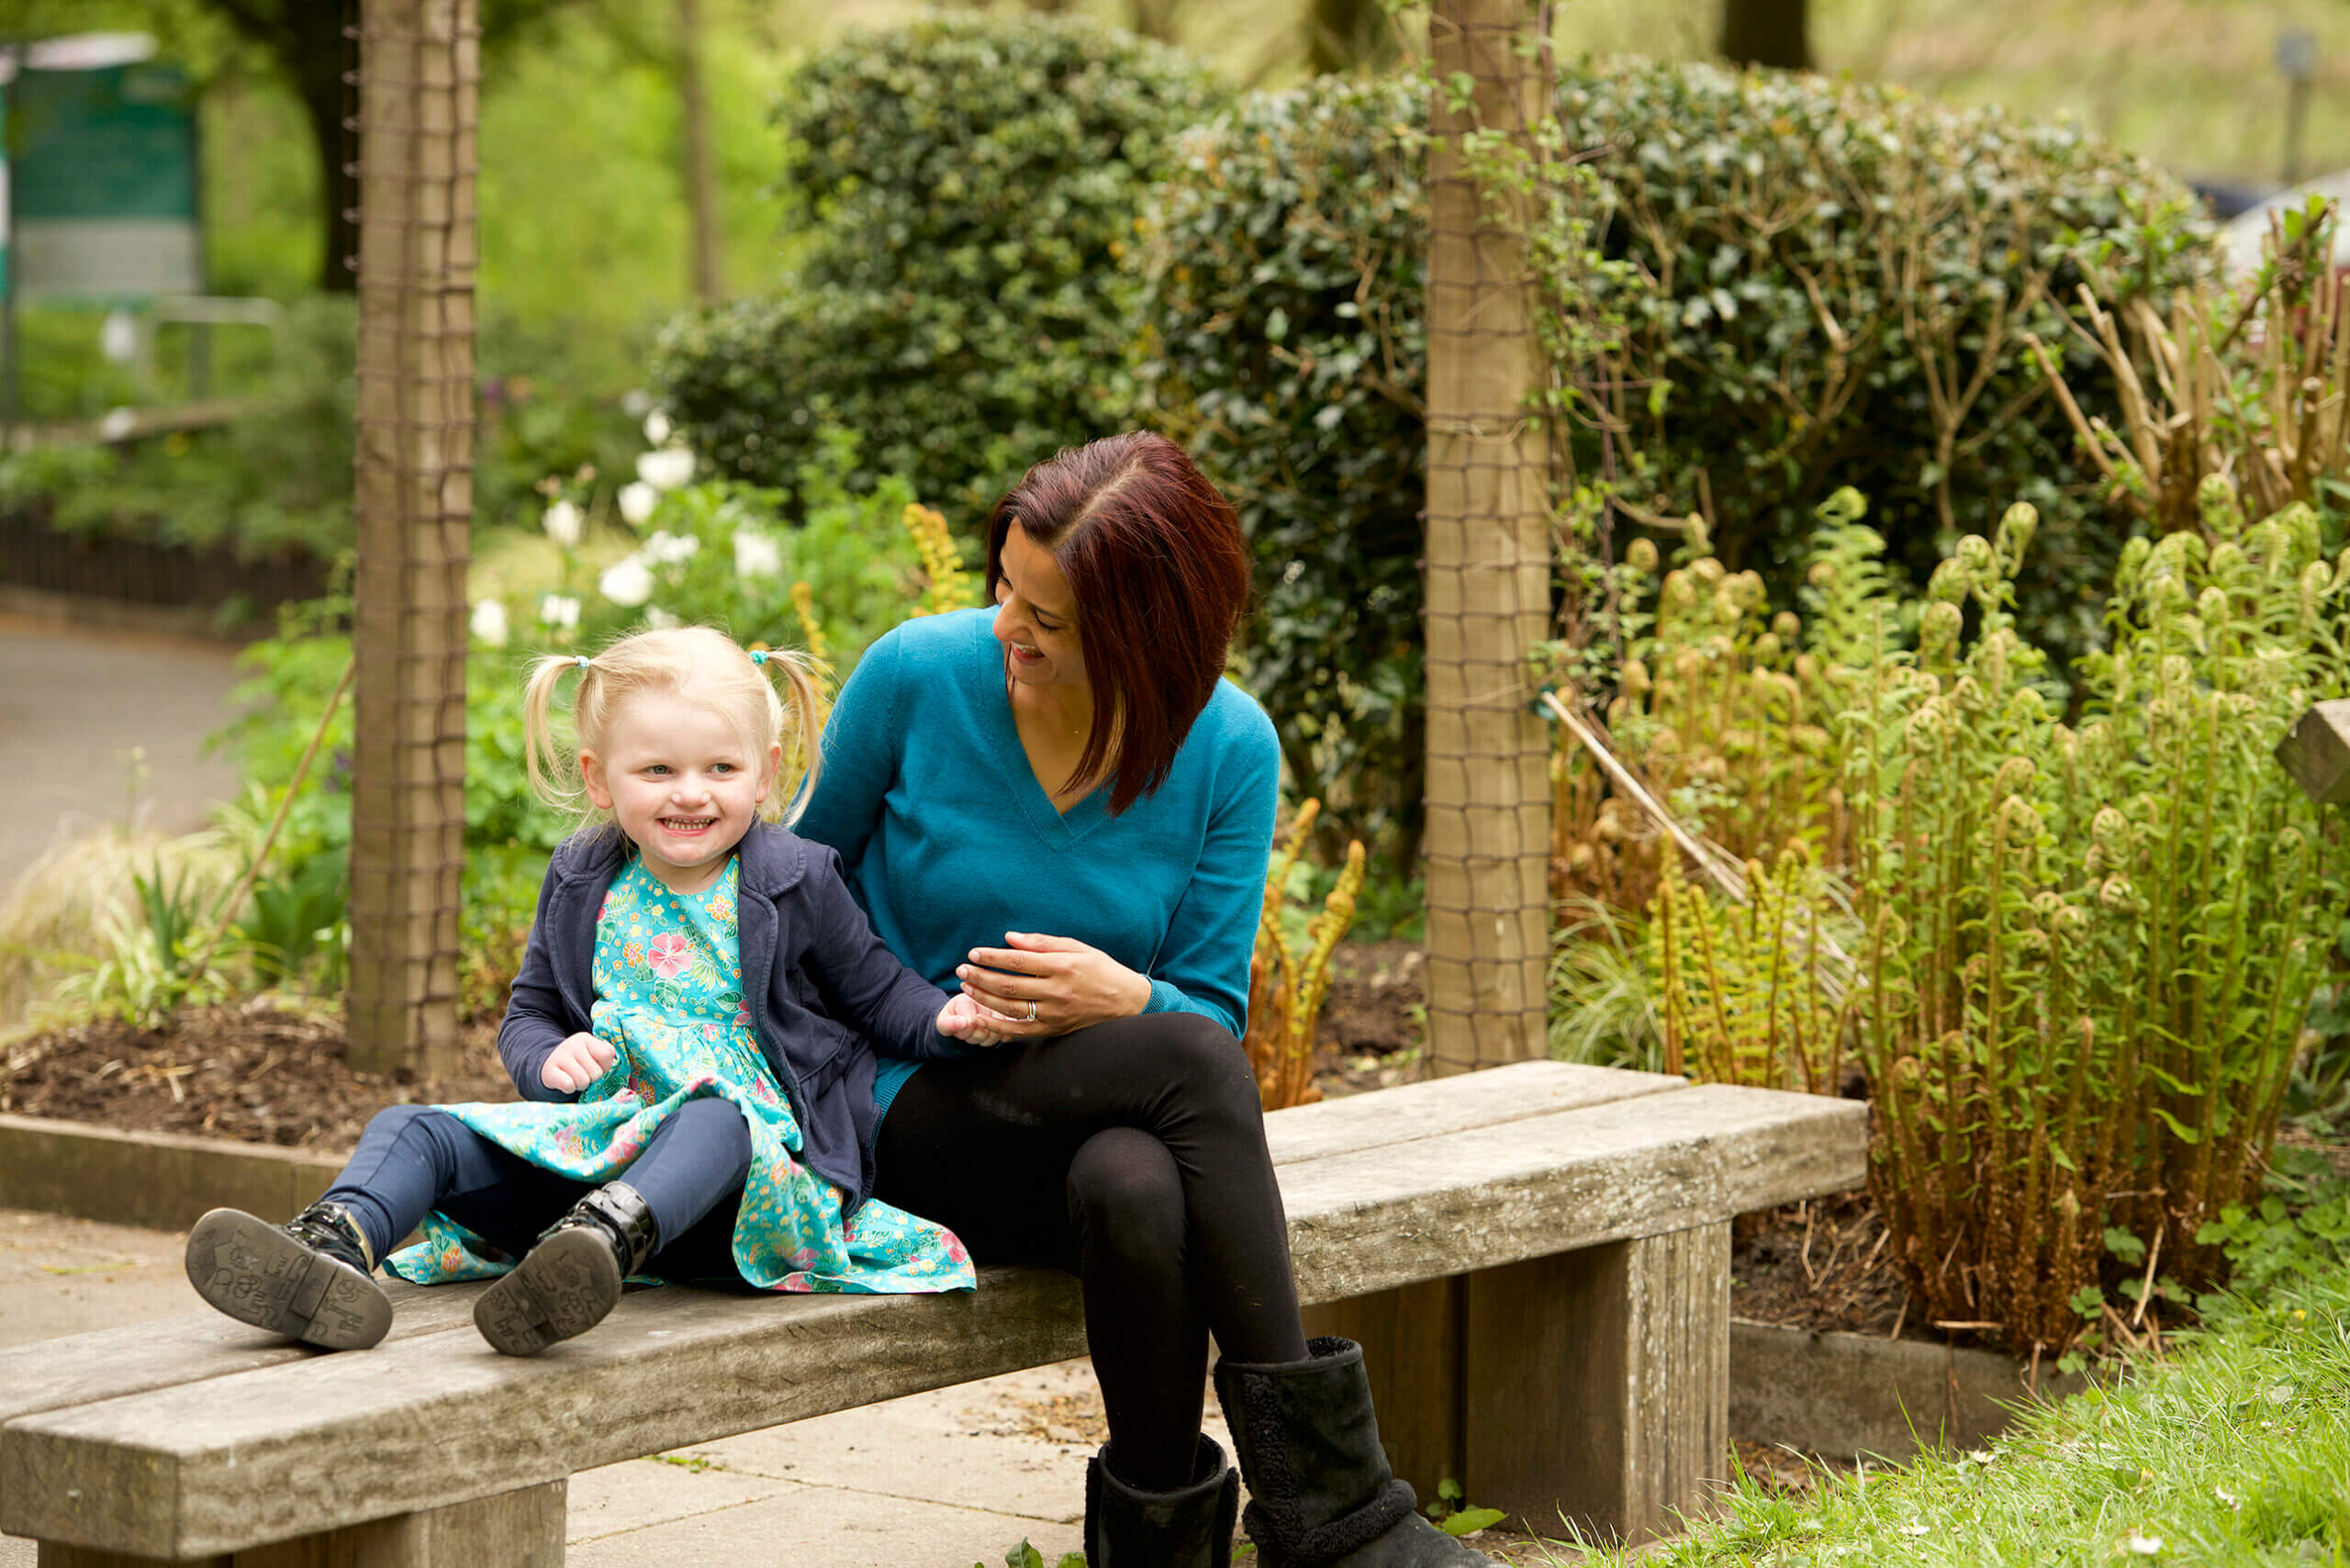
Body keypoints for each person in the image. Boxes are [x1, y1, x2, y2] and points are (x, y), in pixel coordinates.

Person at [795, 431, 1490, 1568]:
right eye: (1005, 587)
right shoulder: (917, 675)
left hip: (1079, 1131)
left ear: (1143, 630)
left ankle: (1162, 1546)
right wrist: (916, 1010)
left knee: (1134, 1183)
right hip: (891, 1096)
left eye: (1049, 618)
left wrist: (1121, 996)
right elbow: (789, 902)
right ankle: (1336, 1516)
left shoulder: (1227, 746)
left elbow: (1203, 1007)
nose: (1008, 627)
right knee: (1192, 1072)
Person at [184, 626, 1006, 1358]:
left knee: (713, 1113)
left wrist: (944, 1017)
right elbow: (530, 1011)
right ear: (600, 779)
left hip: (737, 1196)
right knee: (416, 1128)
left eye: (720, 768)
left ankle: (600, 1245)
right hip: (595, 1155)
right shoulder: (583, 876)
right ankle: (329, 1250)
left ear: (765, 776)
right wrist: (548, 1061)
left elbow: (875, 993)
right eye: (658, 770)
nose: (691, 791)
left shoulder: (795, 878)